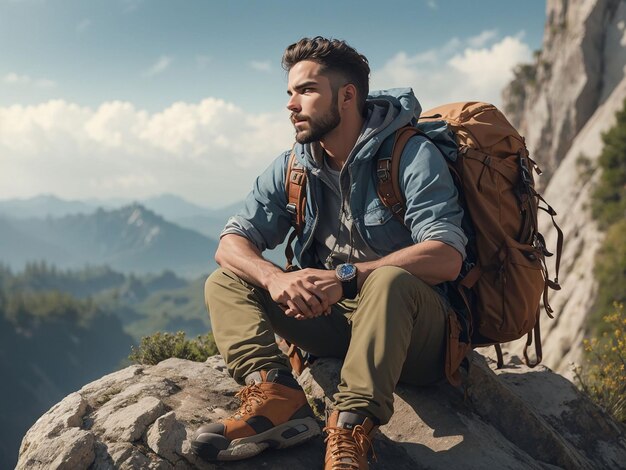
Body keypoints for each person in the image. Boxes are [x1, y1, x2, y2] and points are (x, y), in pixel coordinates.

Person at [191, 36, 467, 470]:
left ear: (347, 95)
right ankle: (278, 397)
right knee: (227, 278)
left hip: (415, 336)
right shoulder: (294, 166)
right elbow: (231, 243)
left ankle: (348, 431)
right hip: (335, 325)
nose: (291, 104)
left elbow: (447, 254)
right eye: (289, 93)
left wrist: (347, 277)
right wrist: (275, 278)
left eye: (306, 90)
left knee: (390, 280)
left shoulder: (410, 155)